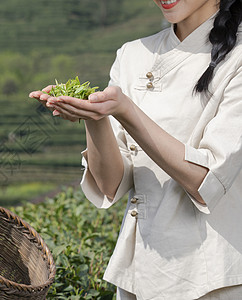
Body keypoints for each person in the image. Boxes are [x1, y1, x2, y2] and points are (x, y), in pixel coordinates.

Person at [29, 0, 242, 299]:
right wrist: (97, 116)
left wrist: (126, 111)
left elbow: (207, 180)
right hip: (140, 272)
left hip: (209, 278)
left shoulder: (238, 57)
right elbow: (111, 183)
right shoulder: (133, 55)